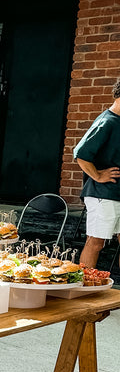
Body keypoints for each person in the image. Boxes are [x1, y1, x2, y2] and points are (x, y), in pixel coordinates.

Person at [73, 78, 120, 269]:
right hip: (103, 195)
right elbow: (81, 154)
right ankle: (82, 290)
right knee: (96, 243)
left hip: (117, 193)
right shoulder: (107, 121)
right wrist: (99, 175)